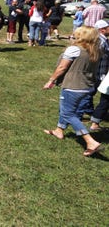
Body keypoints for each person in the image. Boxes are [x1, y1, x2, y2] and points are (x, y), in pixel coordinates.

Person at [43, 26, 104, 157]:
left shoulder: (75, 50)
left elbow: (61, 67)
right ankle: (59, 130)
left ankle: (90, 141)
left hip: (73, 86)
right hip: (87, 86)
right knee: (68, 110)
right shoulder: (96, 50)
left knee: (68, 113)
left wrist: (51, 80)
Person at [91, 19, 109, 131]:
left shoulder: (104, 40)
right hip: (98, 74)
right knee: (104, 99)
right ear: (102, 29)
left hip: (103, 74)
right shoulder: (100, 42)